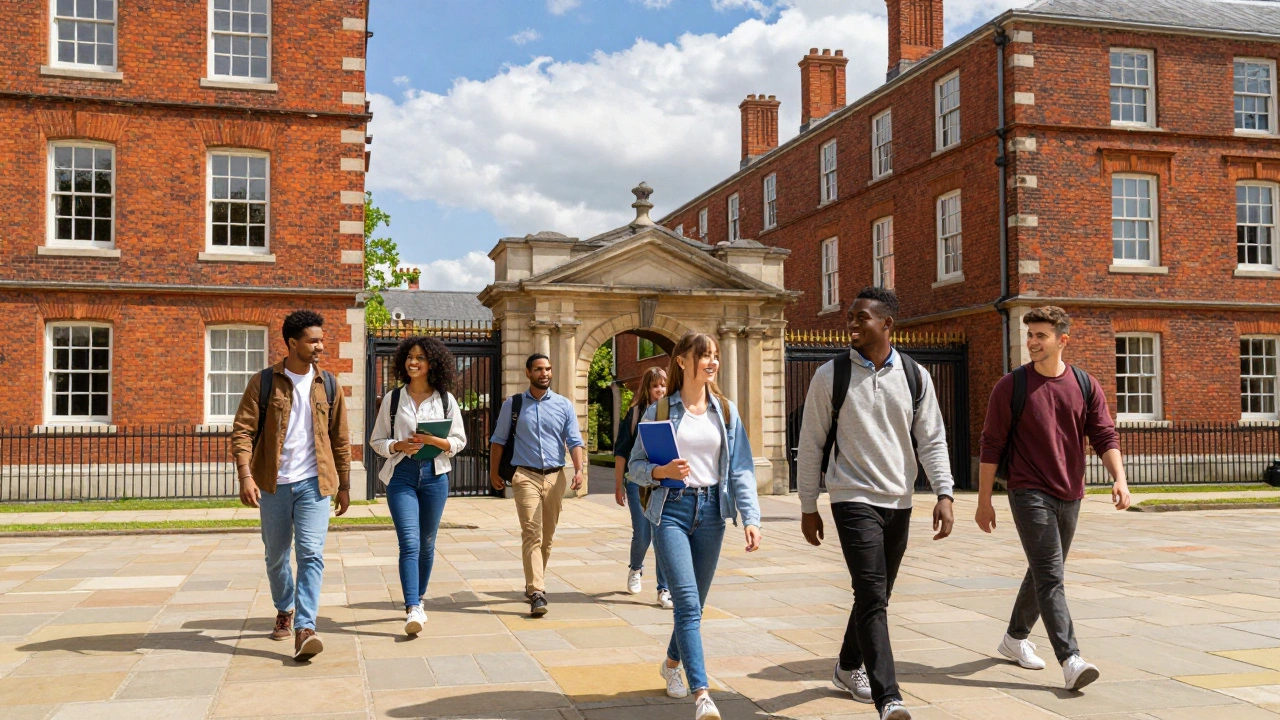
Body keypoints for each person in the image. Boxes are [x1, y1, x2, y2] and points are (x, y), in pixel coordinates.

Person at [794, 287, 955, 720]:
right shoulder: (831, 375)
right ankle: (890, 698)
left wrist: (944, 493)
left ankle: (848, 667)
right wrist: (809, 504)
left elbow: (932, 439)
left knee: (876, 595)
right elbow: (810, 444)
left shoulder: (916, 376)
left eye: (861, 317)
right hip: (851, 496)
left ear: (887, 324)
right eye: (849, 316)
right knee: (871, 594)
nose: (851, 323)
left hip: (899, 499)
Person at [976, 306, 1130, 691]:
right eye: (1029, 335)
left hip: (1071, 491)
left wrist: (1120, 479)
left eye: (1040, 335)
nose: (1032, 342)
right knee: (1051, 574)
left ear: (1062, 340)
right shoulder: (1011, 386)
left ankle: (1014, 638)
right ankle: (1070, 658)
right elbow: (991, 445)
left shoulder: (1084, 384)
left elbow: (1104, 435)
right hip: (1028, 490)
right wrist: (983, 500)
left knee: (1045, 569)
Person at [629, 332, 762, 720]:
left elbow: (740, 470)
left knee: (695, 606)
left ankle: (672, 664)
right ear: (683, 361)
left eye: (715, 356)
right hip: (670, 510)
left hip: (712, 513)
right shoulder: (659, 410)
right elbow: (637, 467)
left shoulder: (726, 410)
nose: (712, 362)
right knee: (686, 603)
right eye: (704, 355)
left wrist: (750, 518)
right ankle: (702, 692)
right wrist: (661, 470)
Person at [230, 310, 351, 662]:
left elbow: (340, 438)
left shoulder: (328, 384)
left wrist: (344, 484)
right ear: (293, 343)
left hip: (315, 483)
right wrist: (245, 475)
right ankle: (285, 607)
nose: (320, 346)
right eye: (313, 340)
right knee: (277, 555)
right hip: (274, 483)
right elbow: (243, 431)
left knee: (311, 554)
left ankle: (306, 627)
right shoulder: (264, 382)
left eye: (322, 339)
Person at [369, 335, 468, 636]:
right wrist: (398, 444)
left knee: (427, 543)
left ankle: (419, 599)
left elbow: (459, 441)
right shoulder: (393, 399)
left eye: (420, 358)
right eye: (410, 357)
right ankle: (412, 606)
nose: (413, 362)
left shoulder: (446, 400)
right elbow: (377, 441)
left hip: (435, 476)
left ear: (432, 363)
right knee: (409, 542)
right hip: (402, 476)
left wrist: (434, 441)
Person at [488, 353, 587, 617]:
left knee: (548, 537)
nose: (544, 373)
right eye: (538, 369)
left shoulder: (564, 405)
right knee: (532, 532)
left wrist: (579, 470)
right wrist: (493, 471)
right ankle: (537, 591)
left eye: (548, 368)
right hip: (525, 476)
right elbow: (498, 440)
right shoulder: (514, 404)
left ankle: (534, 583)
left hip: (555, 477)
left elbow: (575, 441)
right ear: (528, 373)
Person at [613, 366, 672, 609]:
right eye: (655, 385)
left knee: (663, 534)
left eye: (663, 385)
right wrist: (618, 485)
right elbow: (621, 453)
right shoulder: (635, 413)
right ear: (647, 388)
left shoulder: (672, 411)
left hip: (665, 482)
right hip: (638, 481)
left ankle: (664, 589)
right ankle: (636, 568)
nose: (660, 390)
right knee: (643, 532)